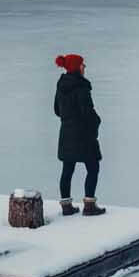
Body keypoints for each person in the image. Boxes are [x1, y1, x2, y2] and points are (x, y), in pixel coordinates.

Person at [54, 53, 105, 216]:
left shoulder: (61, 85)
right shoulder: (81, 87)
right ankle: (89, 205)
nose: (85, 67)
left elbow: (56, 110)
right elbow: (87, 112)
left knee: (67, 169)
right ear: (76, 67)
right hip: (83, 134)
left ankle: (66, 206)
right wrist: (97, 121)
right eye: (83, 64)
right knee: (93, 167)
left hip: (66, 133)